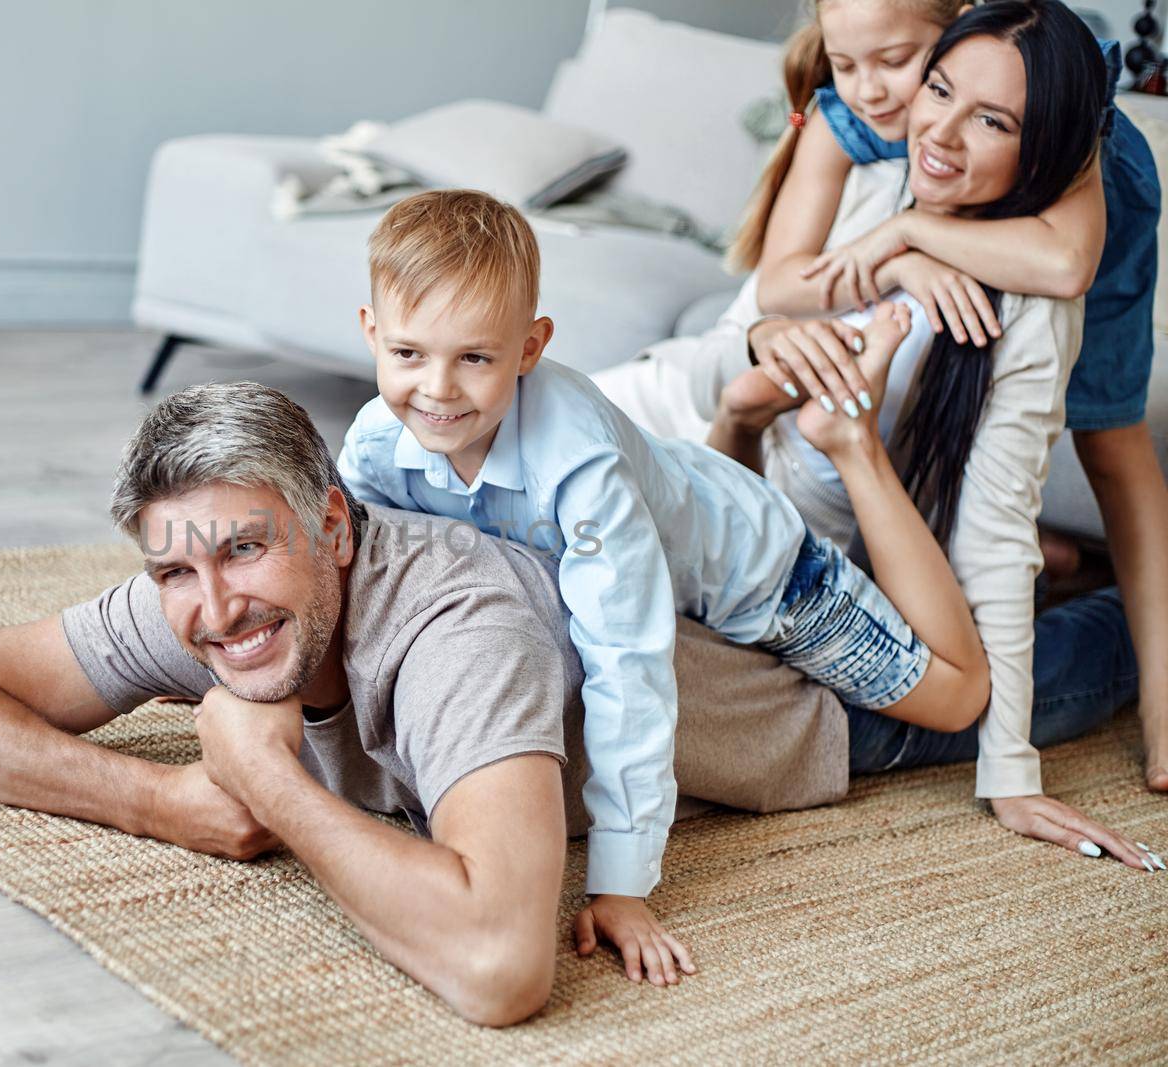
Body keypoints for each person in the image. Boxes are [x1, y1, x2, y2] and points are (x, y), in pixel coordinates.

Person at [0, 380, 858, 1026]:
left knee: (992, 667)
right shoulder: (206, 594)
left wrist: (264, 783)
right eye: (174, 569)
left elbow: (500, 963)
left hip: (827, 711)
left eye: (247, 547)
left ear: (331, 522)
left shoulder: (458, 627)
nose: (214, 610)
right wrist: (161, 802)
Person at [337, 188, 990, 985]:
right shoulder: (375, 444)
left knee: (958, 699)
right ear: (371, 333)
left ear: (531, 346)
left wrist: (621, 881)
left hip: (762, 574)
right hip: (669, 545)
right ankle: (744, 425)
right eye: (408, 354)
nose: (437, 389)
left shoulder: (578, 465)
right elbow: (356, 576)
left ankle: (849, 438)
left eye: (475, 357)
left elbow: (629, 667)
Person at [592, 1, 1159, 871]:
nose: (931, 126)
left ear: (1040, 148)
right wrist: (760, 377)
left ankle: (1120, 620)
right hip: (723, 457)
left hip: (815, 542)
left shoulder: (1025, 291)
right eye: (938, 90)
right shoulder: (865, 156)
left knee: (952, 688)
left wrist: (1010, 771)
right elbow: (732, 361)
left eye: (992, 119)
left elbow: (992, 533)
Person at [738, 0, 1167, 795]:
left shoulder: (1057, 110)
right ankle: (1058, 566)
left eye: (895, 62)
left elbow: (1068, 263)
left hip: (1089, 197)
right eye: (847, 63)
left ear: (958, 19)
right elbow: (781, 283)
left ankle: (1163, 706)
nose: (875, 93)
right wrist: (903, 256)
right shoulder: (872, 112)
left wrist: (907, 235)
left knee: (1107, 436)